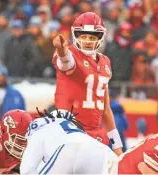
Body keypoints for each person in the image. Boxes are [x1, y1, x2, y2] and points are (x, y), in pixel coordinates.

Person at [52, 12, 122, 155]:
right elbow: (66, 61)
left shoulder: (105, 62)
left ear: (100, 38)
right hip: (69, 131)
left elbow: (106, 110)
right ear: (76, 36)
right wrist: (61, 49)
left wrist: (118, 148)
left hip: (95, 134)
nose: (87, 41)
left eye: (91, 37)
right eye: (83, 36)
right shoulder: (71, 53)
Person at [20, 108, 118, 174]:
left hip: (69, 149)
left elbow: (27, 171)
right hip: (105, 152)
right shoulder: (77, 132)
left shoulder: (41, 129)